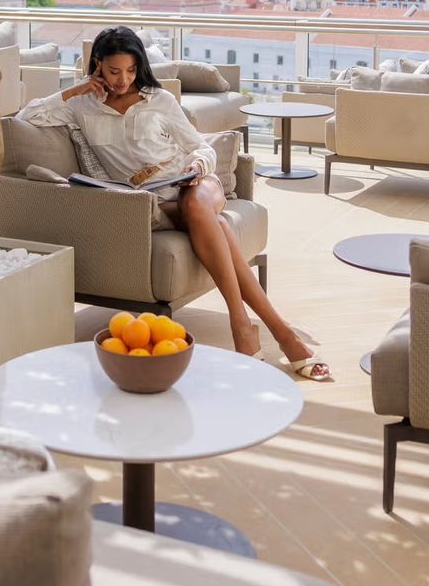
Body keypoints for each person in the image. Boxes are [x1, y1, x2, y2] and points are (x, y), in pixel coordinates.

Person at [20, 26, 330, 380]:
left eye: (132, 70)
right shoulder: (80, 107)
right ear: (97, 68)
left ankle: (241, 325)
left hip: (195, 184)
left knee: (198, 207)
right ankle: (281, 333)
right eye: (114, 71)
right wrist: (76, 89)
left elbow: (200, 146)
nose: (124, 80)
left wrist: (198, 166)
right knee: (220, 227)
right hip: (153, 200)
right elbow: (28, 117)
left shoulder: (159, 100)